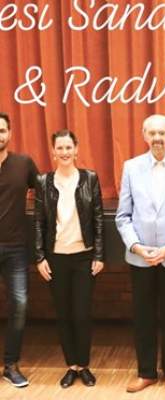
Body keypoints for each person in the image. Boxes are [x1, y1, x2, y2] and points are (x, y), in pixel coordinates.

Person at [115, 114, 165, 394]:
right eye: (152, 133)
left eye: (162, 133)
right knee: (143, 316)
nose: (157, 138)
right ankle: (146, 372)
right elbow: (123, 215)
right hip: (141, 256)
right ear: (145, 136)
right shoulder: (131, 167)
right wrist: (137, 247)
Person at [35, 129, 104, 388]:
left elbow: (98, 218)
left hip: (84, 257)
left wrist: (99, 254)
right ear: (53, 152)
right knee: (63, 314)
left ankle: (84, 365)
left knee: (82, 314)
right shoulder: (43, 181)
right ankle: (71, 366)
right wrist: (40, 257)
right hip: (56, 258)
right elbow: (39, 222)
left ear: (76, 150)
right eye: (60, 148)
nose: (64, 152)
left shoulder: (90, 178)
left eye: (68, 147)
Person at [0, 112, 38, 387]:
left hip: (15, 248)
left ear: (10, 133)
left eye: (2, 130)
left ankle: (10, 365)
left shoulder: (23, 163)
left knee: (20, 304)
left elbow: (47, 191)